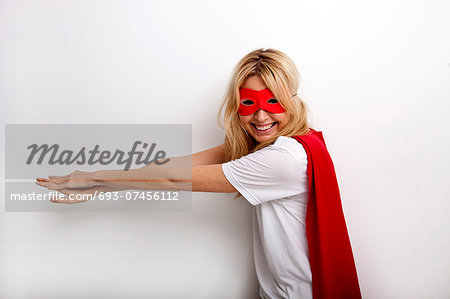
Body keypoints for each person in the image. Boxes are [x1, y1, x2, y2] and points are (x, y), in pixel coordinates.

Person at [36, 48, 361, 299]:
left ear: (291, 100)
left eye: (272, 101)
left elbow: (174, 180)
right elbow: (177, 166)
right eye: (248, 103)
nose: (260, 115)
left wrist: (95, 177)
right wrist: (99, 185)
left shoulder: (283, 159)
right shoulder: (291, 143)